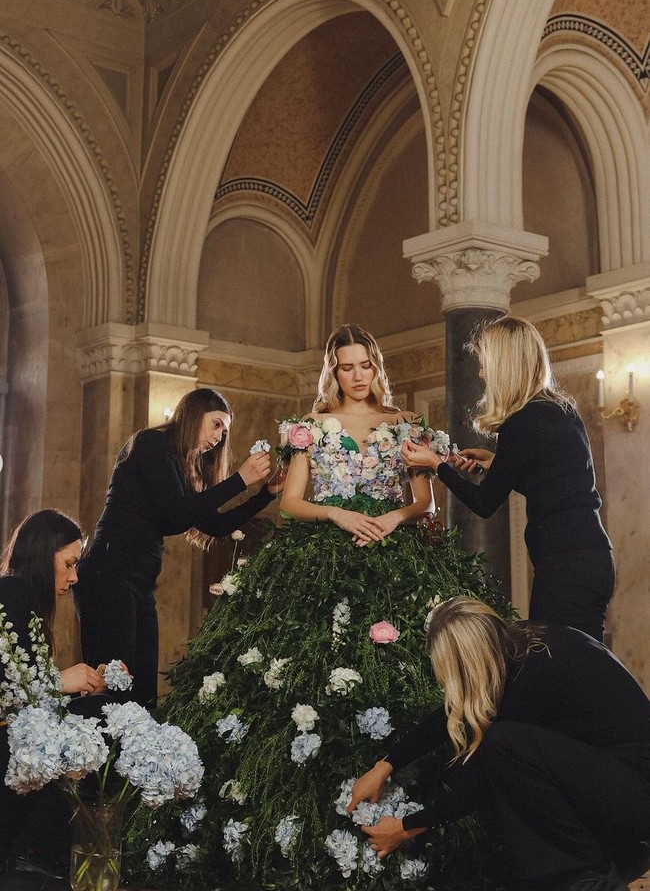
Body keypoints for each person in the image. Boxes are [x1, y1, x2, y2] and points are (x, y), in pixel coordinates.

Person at [125, 324, 510, 891]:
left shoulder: (405, 427)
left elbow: (423, 501)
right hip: (319, 558)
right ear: (335, 369)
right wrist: (337, 514)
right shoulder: (308, 430)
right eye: (348, 367)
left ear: (377, 367)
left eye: (366, 366)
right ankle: (296, 834)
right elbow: (292, 503)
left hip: (393, 555)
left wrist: (392, 518)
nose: (358, 376)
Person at [348, 596, 650, 891]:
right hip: (621, 786)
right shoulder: (514, 643)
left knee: (501, 746)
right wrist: (386, 764)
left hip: (637, 803)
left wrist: (403, 828)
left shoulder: (528, 680)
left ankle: (589, 881)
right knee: (504, 750)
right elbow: (453, 711)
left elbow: (477, 788)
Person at [401, 314, 614, 641]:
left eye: (486, 363)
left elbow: (485, 504)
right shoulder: (560, 408)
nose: (482, 373)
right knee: (585, 665)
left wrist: (437, 465)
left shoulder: (522, 421)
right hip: (593, 558)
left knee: (555, 667)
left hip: (565, 569)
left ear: (505, 366)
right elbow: (556, 482)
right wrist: (498, 463)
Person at [74, 387, 284, 710]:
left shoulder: (181, 465)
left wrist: (265, 495)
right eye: (216, 424)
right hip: (108, 575)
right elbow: (174, 516)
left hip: (138, 586)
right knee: (111, 690)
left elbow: (214, 525)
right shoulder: (151, 444)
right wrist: (240, 479)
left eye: (225, 431)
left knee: (142, 699)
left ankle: (129, 760)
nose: (219, 436)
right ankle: (95, 760)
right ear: (194, 414)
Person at [0, 509, 114, 877]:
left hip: (15, 749)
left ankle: (38, 851)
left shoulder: (19, 597)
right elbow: (20, 695)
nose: (74, 576)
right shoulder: (11, 590)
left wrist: (94, 680)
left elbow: (30, 695)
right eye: (68, 563)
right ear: (41, 553)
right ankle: (38, 851)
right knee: (105, 720)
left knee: (105, 709)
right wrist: (58, 682)